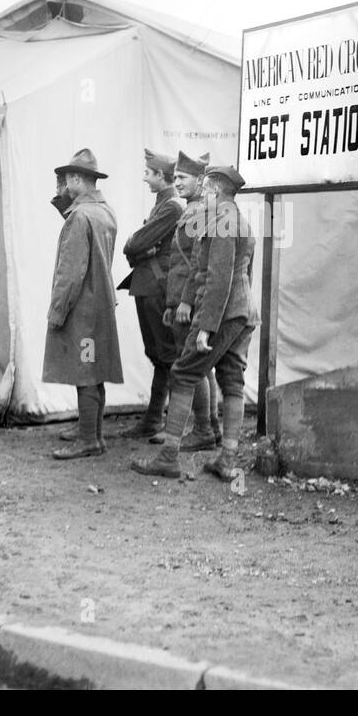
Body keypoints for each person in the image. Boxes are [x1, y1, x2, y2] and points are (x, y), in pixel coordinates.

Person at [133, 165, 256, 481]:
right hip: (241, 313)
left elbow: (218, 279)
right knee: (232, 382)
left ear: (215, 190)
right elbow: (209, 268)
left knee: (184, 373)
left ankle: (169, 456)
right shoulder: (234, 220)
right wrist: (185, 302)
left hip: (223, 314)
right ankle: (227, 460)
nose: (203, 193)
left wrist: (205, 327)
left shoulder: (223, 222)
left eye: (206, 189)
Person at [45, 149, 123, 460]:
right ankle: (93, 435)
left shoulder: (80, 218)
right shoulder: (104, 212)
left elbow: (71, 272)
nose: (62, 186)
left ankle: (89, 440)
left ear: (77, 178)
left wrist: (57, 310)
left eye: (65, 180)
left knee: (84, 373)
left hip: (82, 308)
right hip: (100, 304)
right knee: (94, 370)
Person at [113, 149, 185, 438]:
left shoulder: (171, 207)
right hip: (147, 285)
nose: (144, 177)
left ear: (160, 175)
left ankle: (168, 425)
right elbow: (138, 249)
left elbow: (134, 243)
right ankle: (154, 421)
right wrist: (140, 248)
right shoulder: (163, 204)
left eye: (148, 173)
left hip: (157, 287)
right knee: (158, 354)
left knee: (167, 355)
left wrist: (137, 245)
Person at [157, 150, 222, 451]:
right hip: (185, 300)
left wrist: (182, 303)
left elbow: (195, 263)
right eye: (176, 177)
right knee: (201, 367)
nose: (177, 182)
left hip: (190, 301)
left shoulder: (199, 213)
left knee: (192, 368)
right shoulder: (193, 210)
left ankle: (204, 430)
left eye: (183, 178)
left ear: (200, 180)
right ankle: (211, 426)